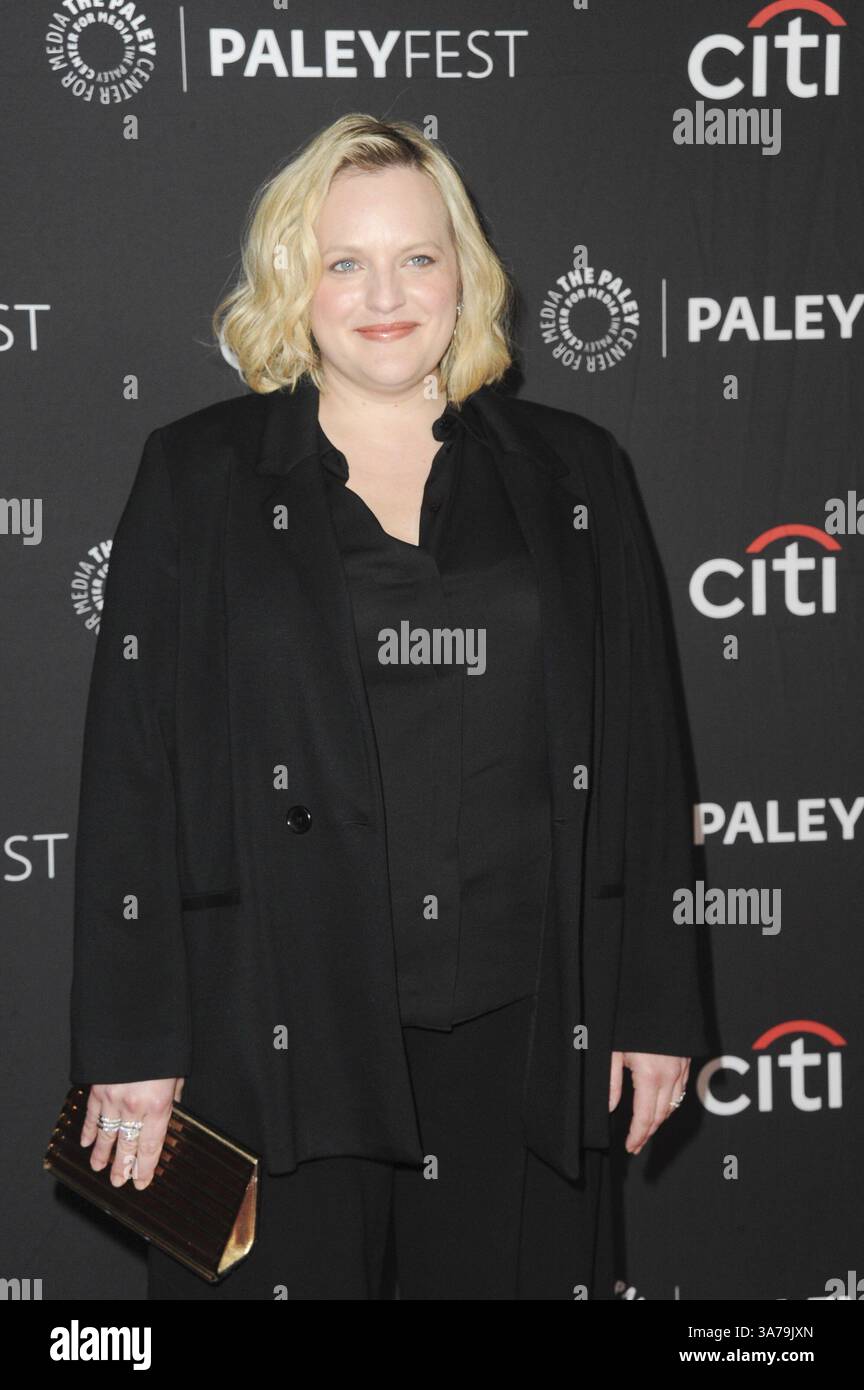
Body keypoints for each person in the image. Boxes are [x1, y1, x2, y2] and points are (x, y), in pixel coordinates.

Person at [69, 113, 713, 1300]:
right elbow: (132, 768)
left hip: (524, 1028)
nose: (385, 294)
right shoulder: (199, 474)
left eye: (417, 257)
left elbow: (642, 752)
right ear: (292, 282)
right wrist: (132, 1045)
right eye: (344, 261)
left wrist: (655, 1005)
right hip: (271, 1031)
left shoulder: (575, 471)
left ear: (464, 273)